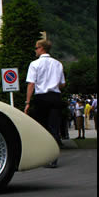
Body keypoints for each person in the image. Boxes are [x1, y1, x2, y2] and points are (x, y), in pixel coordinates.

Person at [24, 39, 66, 168]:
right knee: (54, 127)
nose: (35, 50)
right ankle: (53, 157)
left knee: (42, 128)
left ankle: (44, 156)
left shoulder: (34, 64)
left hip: (41, 97)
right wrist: (53, 84)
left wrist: (27, 102)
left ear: (41, 48)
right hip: (55, 96)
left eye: (36, 48)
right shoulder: (58, 64)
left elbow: (31, 84)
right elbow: (63, 84)